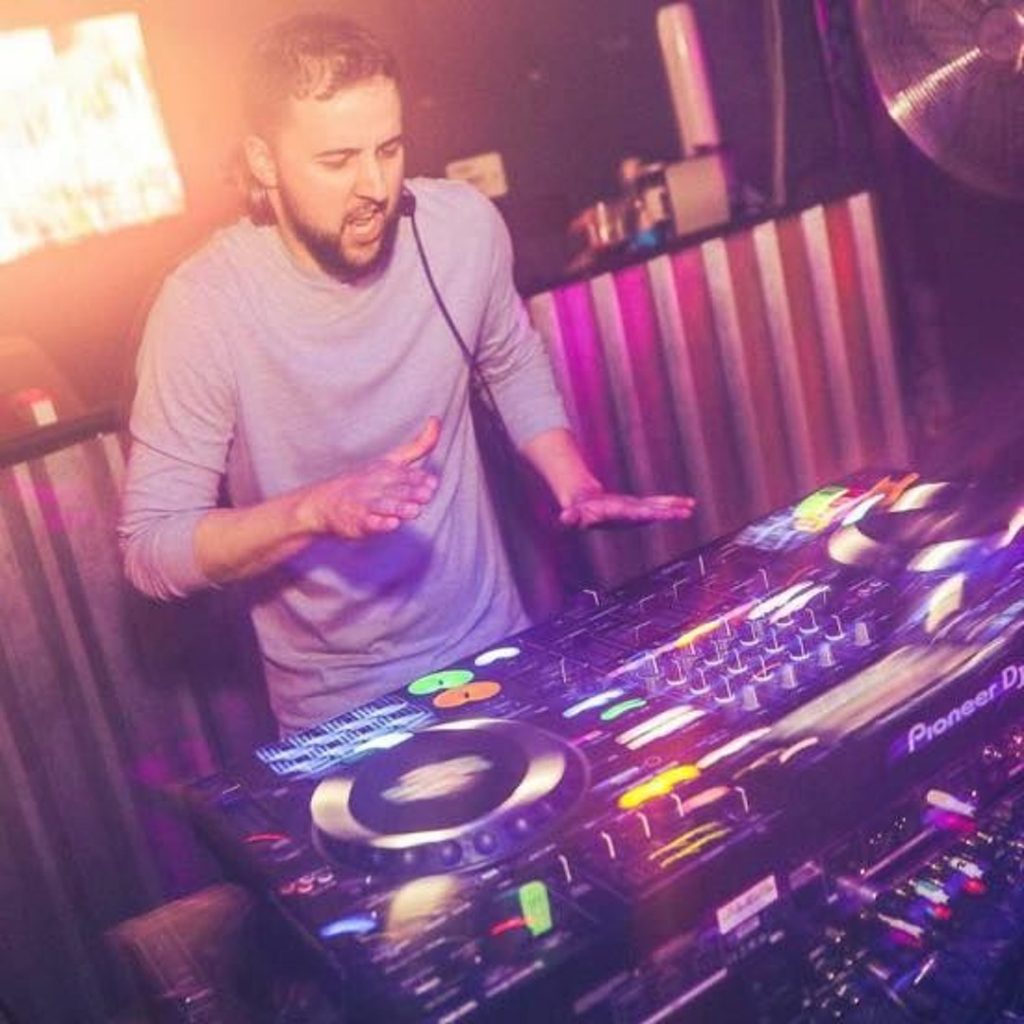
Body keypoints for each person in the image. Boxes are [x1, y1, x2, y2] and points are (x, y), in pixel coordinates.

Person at [119, 13, 695, 733]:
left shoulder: (461, 230)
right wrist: (314, 510)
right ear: (264, 162)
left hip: (496, 649)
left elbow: (508, 359)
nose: (374, 186)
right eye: (337, 161)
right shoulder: (204, 306)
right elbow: (152, 550)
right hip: (340, 709)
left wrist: (572, 479)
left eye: (387, 149)